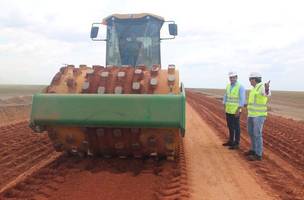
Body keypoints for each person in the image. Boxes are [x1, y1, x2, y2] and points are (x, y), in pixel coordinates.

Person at [245, 72, 271, 161]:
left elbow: (267, 94)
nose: (249, 81)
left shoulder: (262, 86)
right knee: (251, 132)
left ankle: (258, 154)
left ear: (254, 79)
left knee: (257, 134)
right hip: (251, 114)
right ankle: (253, 149)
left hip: (259, 115)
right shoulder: (254, 88)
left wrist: (267, 88)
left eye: (250, 79)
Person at [222, 72, 246, 150]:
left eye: (233, 77)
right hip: (228, 110)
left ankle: (236, 143)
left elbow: (242, 100)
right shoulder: (228, 86)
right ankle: (231, 141)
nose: (231, 79)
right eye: (230, 77)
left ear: (236, 77)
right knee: (230, 126)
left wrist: (238, 110)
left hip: (236, 110)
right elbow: (225, 96)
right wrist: (224, 104)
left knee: (236, 127)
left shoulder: (240, 87)